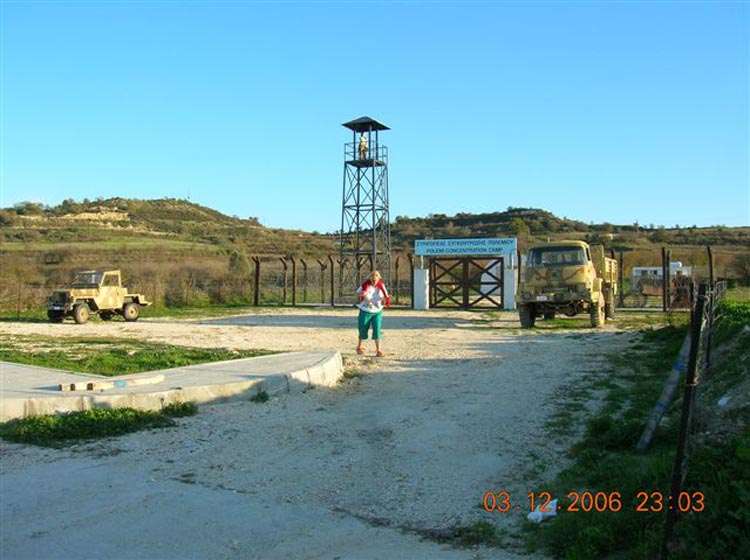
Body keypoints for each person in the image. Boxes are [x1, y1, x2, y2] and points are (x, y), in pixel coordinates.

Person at [355, 270, 390, 357]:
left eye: (376, 277)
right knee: (362, 329)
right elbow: (357, 293)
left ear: (379, 278)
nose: (374, 279)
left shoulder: (381, 286)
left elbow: (385, 296)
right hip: (365, 310)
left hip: (377, 311)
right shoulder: (365, 285)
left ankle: (379, 350)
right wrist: (361, 297)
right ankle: (359, 347)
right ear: (370, 278)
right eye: (372, 277)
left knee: (377, 329)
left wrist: (384, 300)